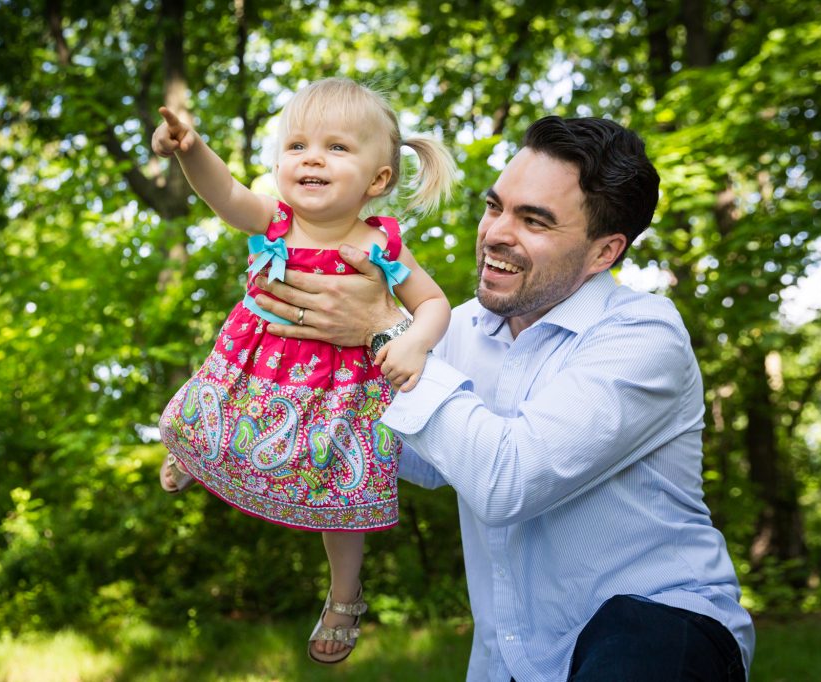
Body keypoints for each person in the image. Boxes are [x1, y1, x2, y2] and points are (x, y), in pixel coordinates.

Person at [251, 116, 756, 680]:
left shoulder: (643, 334)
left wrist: (384, 329)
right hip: (508, 658)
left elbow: (510, 480)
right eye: (496, 207)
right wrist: (260, 410)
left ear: (604, 251)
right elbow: (404, 455)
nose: (495, 233)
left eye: (534, 220)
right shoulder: (455, 330)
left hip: (660, 626)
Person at [151, 77, 456, 664]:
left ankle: (345, 596)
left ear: (378, 180)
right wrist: (192, 149)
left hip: (341, 391)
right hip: (254, 367)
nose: (313, 157)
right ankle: (195, 452)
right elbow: (225, 194)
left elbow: (434, 304)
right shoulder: (274, 220)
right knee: (208, 406)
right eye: (297, 146)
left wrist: (416, 341)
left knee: (337, 487)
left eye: (337, 148)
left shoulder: (381, 245)